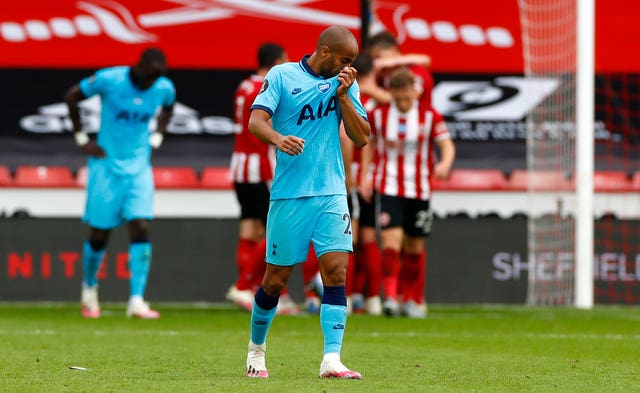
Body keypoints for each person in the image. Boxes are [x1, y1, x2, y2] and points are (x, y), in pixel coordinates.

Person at [245, 25, 370, 379]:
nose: (350, 67)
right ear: (326, 51)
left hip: (332, 191)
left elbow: (362, 138)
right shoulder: (282, 75)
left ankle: (332, 359)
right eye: (346, 60)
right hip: (290, 194)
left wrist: (344, 96)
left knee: (336, 272)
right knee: (276, 279)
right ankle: (256, 350)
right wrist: (278, 138)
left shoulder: (346, 83)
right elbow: (256, 121)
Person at [65, 48, 176, 319]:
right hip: (106, 166)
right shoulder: (110, 79)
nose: (151, 83)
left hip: (139, 166)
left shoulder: (163, 86)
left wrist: (158, 135)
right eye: (148, 77)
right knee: (99, 234)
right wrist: (82, 138)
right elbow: (72, 96)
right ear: (138, 67)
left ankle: (136, 300)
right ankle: (89, 291)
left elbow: (169, 107)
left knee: (140, 225)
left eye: (155, 79)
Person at [361, 68, 455, 319]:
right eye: (398, 98)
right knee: (391, 244)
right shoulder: (378, 114)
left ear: (415, 93)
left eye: (407, 98)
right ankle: (390, 297)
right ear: (390, 93)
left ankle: (411, 298)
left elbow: (446, 145)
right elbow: (368, 145)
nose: (403, 103)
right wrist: (364, 177)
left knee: (414, 248)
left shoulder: (430, 115)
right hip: (389, 187)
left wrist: (445, 164)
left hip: (420, 189)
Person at [226, 42, 300, 314]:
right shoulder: (266, 86)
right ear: (277, 61)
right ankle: (246, 286)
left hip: (240, 166)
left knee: (250, 231)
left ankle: (250, 288)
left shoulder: (244, 85)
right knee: (274, 232)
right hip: (260, 167)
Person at [341, 53, 383, 315]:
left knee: (348, 239)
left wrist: (353, 175)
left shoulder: (348, 96)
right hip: (370, 176)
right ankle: (371, 298)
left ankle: (345, 297)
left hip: (350, 176)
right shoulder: (376, 101)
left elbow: (352, 139)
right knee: (367, 238)